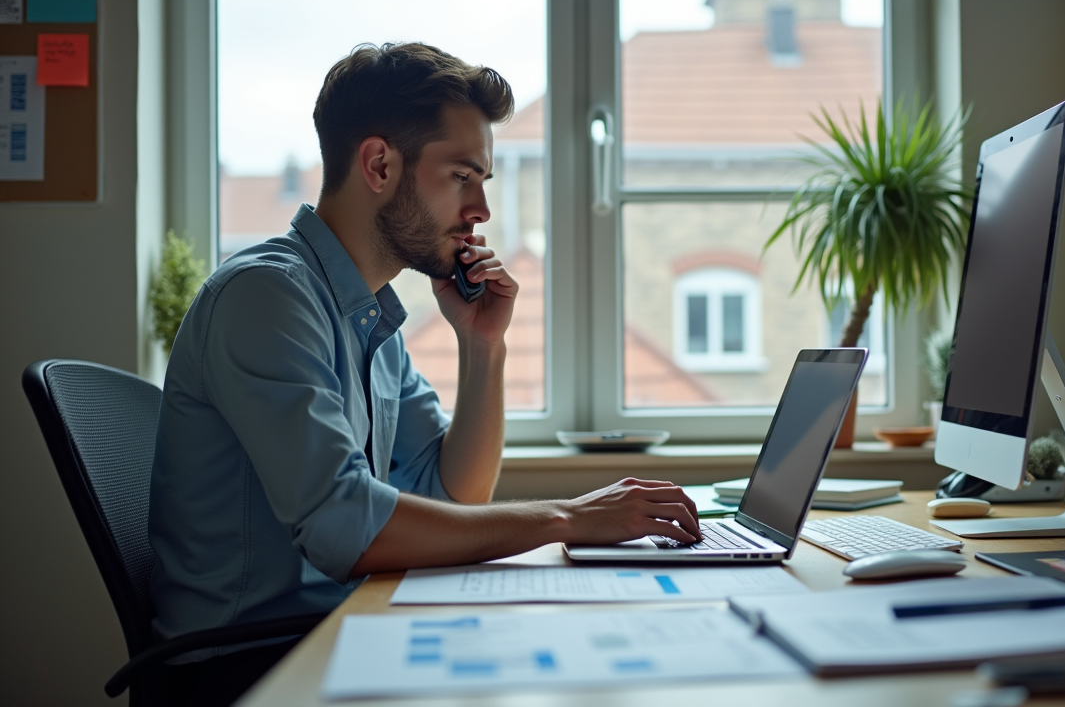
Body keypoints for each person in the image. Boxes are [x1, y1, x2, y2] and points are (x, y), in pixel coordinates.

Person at [147, 42, 700, 704]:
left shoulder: (367, 316)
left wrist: (483, 348)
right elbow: (343, 526)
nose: (481, 211)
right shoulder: (267, 297)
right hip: (249, 671)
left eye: (483, 181)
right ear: (380, 164)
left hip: (334, 630)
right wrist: (567, 518)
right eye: (461, 176)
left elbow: (452, 495)